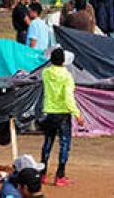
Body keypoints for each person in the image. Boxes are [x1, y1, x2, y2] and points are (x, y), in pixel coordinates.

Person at [41, 47, 84, 187]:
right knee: (64, 144)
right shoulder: (67, 76)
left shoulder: (45, 73)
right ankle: (60, 175)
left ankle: (42, 173)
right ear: (64, 61)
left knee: (47, 143)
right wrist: (77, 114)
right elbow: (68, 96)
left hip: (49, 112)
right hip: (63, 113)